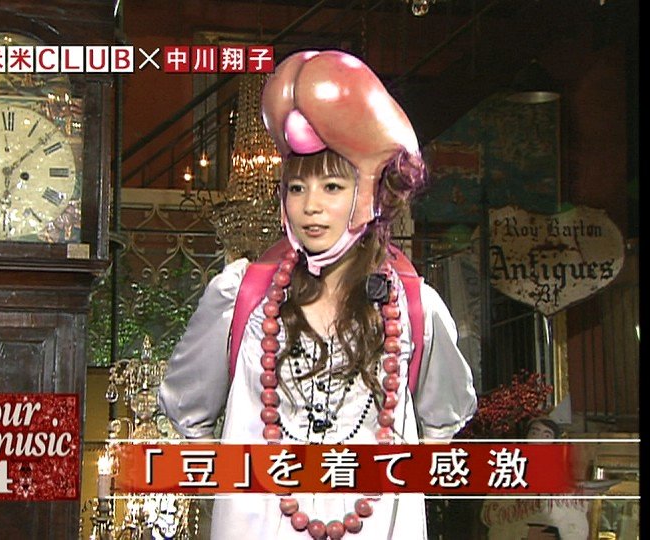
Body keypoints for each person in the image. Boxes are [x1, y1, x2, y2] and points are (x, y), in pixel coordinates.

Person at [158, 49, 478, 540]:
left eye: (331, 186)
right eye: (296, 188)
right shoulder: (241, 296)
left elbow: (442, 422)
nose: (311, 206)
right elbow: (187, 408)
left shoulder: (415, 307)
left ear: (371, 192)